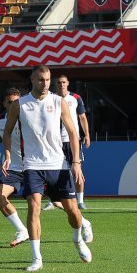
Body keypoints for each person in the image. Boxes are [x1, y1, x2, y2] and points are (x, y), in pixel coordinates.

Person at [2, 65, 93, 272]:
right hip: (32, 166)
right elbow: (7, 132)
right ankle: (37, 259)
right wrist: (7, 153)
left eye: (48, 80)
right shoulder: (20, 105)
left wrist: (76, 162)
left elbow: (72, 132)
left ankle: (78, 239)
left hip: (58, 165)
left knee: (72, 211)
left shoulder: (57, 101)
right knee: (34, 207)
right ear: (32, 80)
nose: (45, 84)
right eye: (41, 80)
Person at [0, 87, 31, 248]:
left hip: (34, 166)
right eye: (10, 102)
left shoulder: (29, 118)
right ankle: (22, 230)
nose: (13, 104)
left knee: (59, 203)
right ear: (4, 104)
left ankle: (83, 223)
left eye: (16, 102)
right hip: (13, 167)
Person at [53, 74, 92, 211]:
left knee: (77, 170)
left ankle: (80, 200)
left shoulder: (75, 98)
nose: (61, 84)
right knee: (53, 172)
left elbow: (82, 117)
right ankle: (53, 200)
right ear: (55, 84)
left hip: (72, 140)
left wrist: (86, 134)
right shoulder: (51, 98)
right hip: (55, 141)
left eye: (63, 82)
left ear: (68, 83)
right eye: (59, 82)